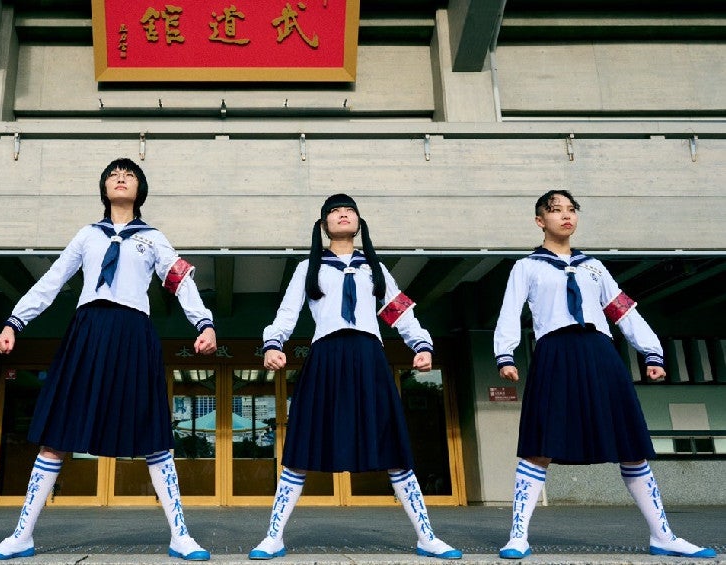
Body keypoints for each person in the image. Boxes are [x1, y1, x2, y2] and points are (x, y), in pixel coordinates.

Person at [0, 158, 217, 562]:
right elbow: (52, 280)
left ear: (140, 190)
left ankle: (181, 535)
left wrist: (204, 323)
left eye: (128, 175)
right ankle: (21, 535)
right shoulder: (88, 236)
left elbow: (180, 280)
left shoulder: (153, 238)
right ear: (103, 188)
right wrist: (13, 323)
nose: (119, 178)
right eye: (112, 174)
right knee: (56, 435)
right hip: (87, 332)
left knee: (154, 435)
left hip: (133, 334)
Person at [493, 189, 717, 560]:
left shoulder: (595, 266)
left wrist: (651, 351)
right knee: (539, 445)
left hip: (600, 352)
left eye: (571, 209)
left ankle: (663, 535)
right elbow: (510, 312)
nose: (566, 216)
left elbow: (623, 311)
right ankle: (518, 536)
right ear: (539, 221)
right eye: (555, 210)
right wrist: (505, 354)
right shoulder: (526, 267)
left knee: (631, 445)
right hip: (555, 353)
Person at [248, 194, 462, 561]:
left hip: (369, 358)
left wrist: (421, 345)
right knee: (301, 448)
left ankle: (427, 537)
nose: (342, 214)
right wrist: (272, 344)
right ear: (322, 226)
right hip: (326, 358)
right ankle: (273, 537)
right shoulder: (308, 269)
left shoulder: (374, 269)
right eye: (334, 210)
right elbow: (286, 315)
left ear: (359, 222)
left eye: (349, 209)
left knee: (394, 448)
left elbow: (400, 313)